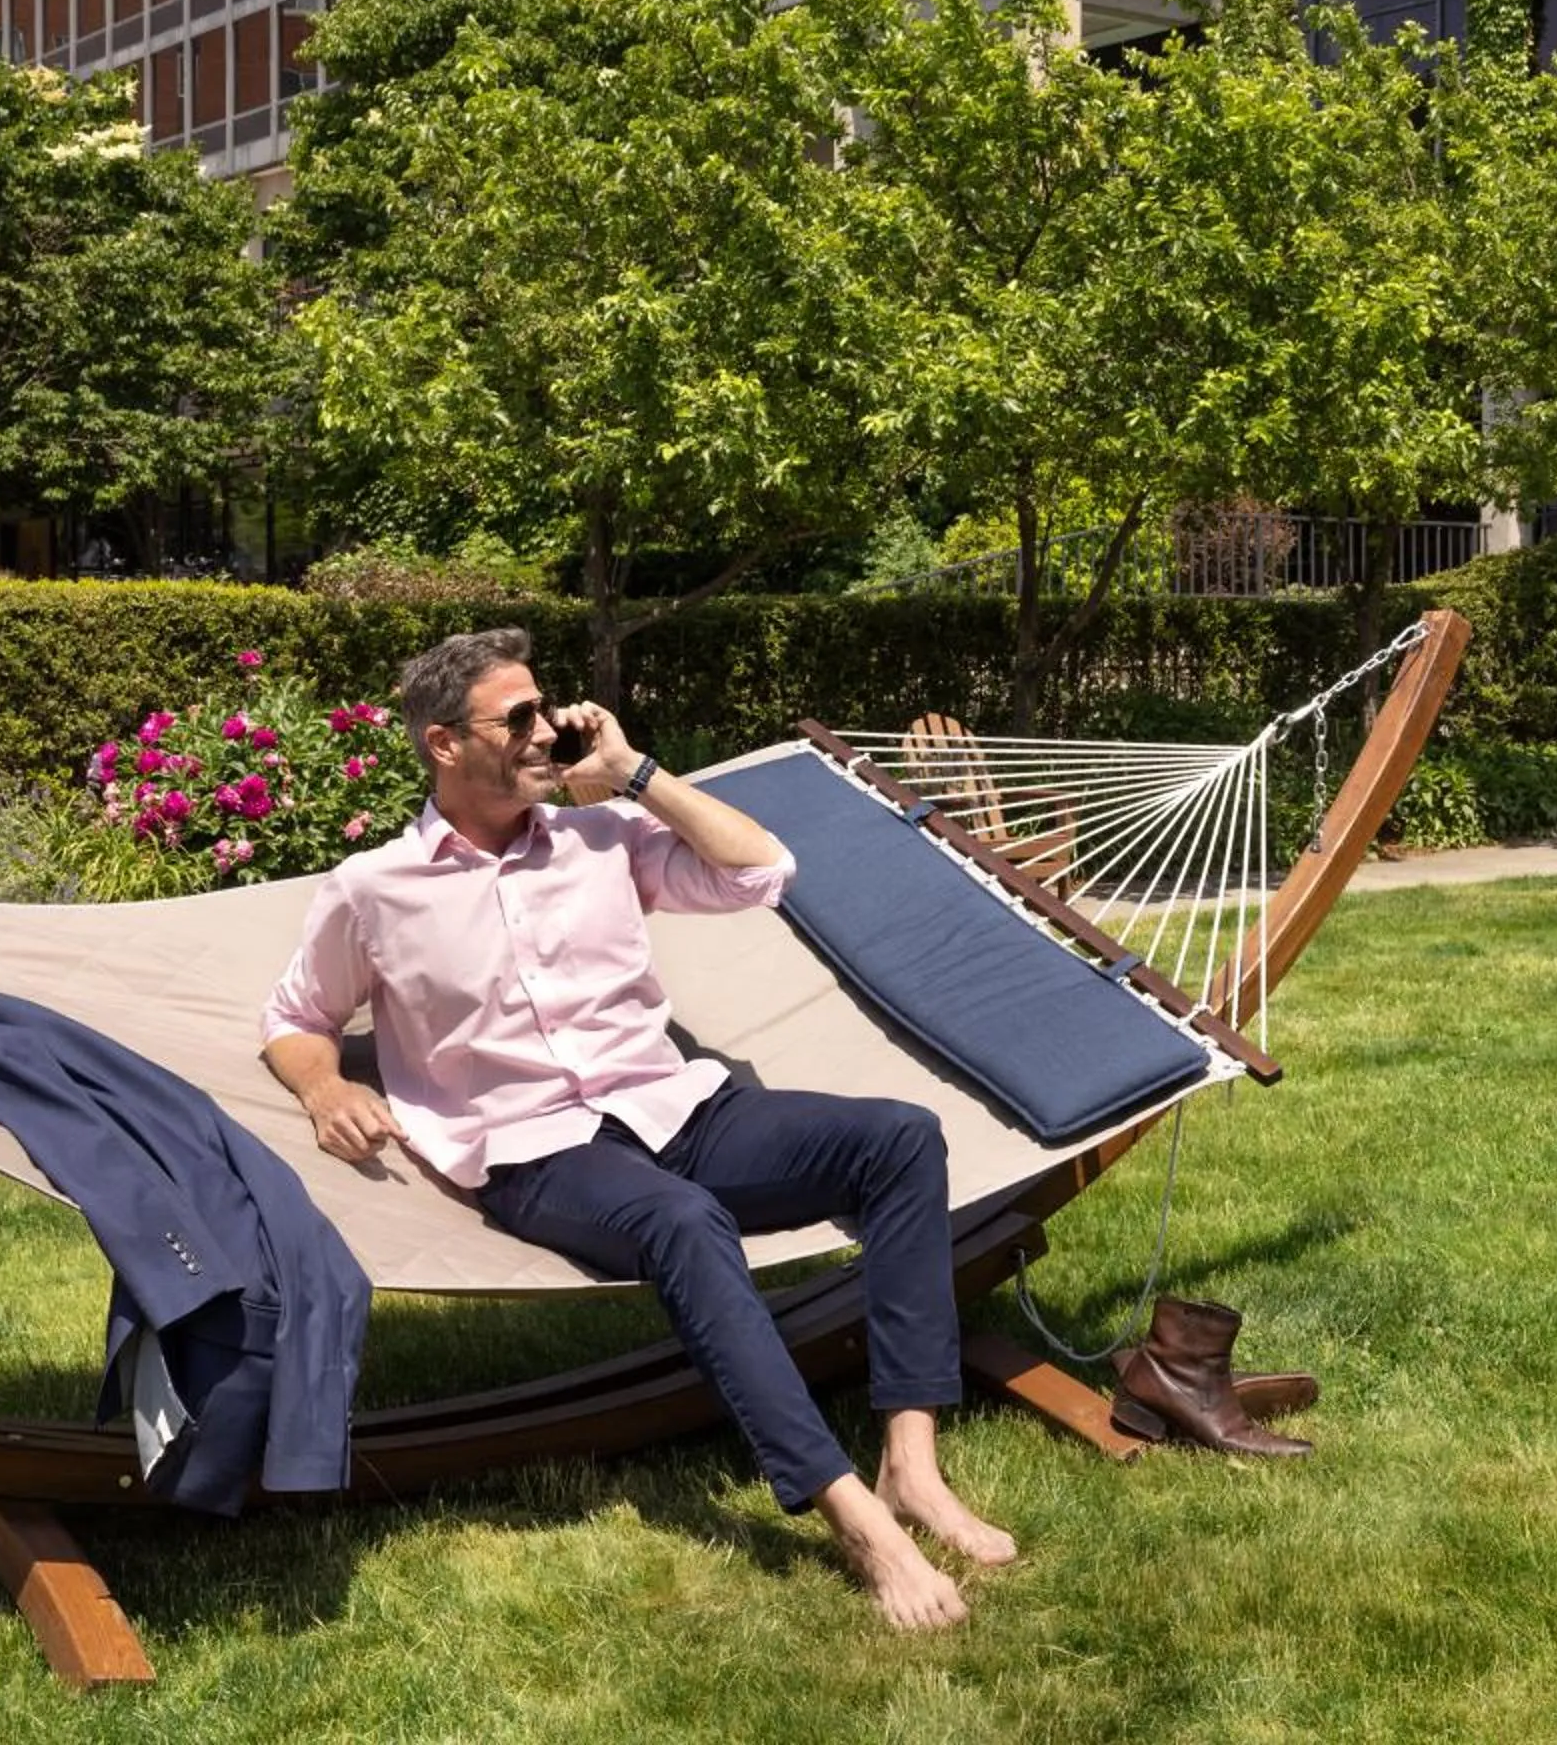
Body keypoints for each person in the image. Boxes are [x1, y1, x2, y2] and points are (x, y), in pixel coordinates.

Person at [259, 627, 1011, 1630]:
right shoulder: (374, 889)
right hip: (534, 1148)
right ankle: (857, 1518)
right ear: (444, 743)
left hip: (676, 1107)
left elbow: (764, 870)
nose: (545, 729)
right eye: (517, 717)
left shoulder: (602, 837)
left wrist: (632, 772)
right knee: (684, 1221)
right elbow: (296, 1016)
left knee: (900, 1137)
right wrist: (322, 1089)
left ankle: (911, 1463)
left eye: (545, 707)